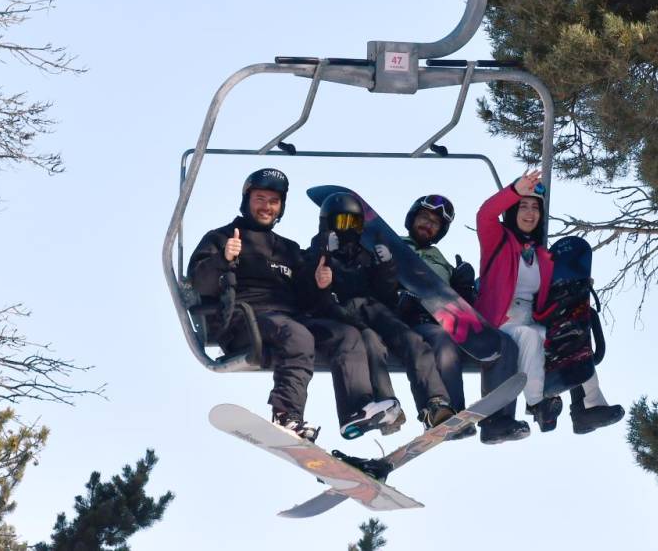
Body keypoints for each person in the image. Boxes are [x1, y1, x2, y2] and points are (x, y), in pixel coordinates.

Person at [188, 168, 371, 442]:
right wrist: (223, 260)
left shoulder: (287, 248)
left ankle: (356, 410)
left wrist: (320, 285)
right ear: (247, 200)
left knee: (347, 334)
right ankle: (286, 416)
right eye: (260, 199)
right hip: (244, 323)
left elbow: (305, 298)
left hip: (288, 321)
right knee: (296, 334)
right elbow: (199, 285)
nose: (266, 207)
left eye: (274, 202)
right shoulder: (222, 237)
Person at [475, 169, 624, 434]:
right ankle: (537, 404)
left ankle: (589, 405)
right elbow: (485, 213)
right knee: (530, 336)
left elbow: (546, 300)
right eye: (523, 206)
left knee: (569, 335)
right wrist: (515, 190)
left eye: (535, 208)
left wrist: (575, 296)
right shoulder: (497, 240)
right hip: (501, 320)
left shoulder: (542, 256)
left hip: (530, 317)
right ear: (512, 210)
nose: (530, 213)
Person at [305, 192, 455, 438]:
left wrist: (386, 268)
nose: (347, 230)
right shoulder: (316, 250)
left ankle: (435, 403)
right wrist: (327, 256)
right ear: (328, 223)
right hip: (343, 312)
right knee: (371, 344)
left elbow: (381, 290)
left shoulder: (364, 251)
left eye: (353, 224)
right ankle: (386, 408)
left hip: (375, 308)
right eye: (341, 223)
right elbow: (313, 288)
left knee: (413, 341)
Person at [398, 194, 531, 444]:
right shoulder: (392, 246)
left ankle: (497, 421)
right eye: (424, 217)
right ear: (412, 218)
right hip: (403, 321)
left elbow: (452, 302)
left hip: (439, 318)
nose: (428, 224)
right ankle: (448, 413)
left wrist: (463, 287)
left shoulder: (441, 261)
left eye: (435, 223)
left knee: (502, 344)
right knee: (442, 340)